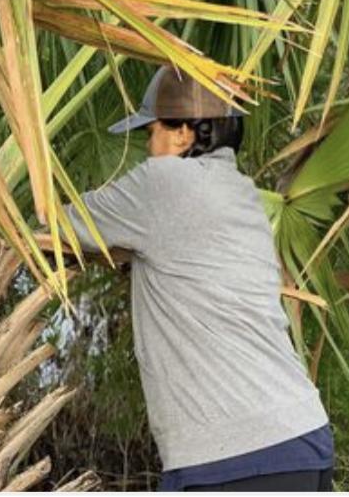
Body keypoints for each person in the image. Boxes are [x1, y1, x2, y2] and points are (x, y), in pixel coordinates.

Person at [63, 66, 334, 491]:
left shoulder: (163, 182)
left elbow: (57, 224)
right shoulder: (241, 192)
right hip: (301, 435)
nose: (148, 146)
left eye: (151, 131)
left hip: (235, 457)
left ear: (182, 134)